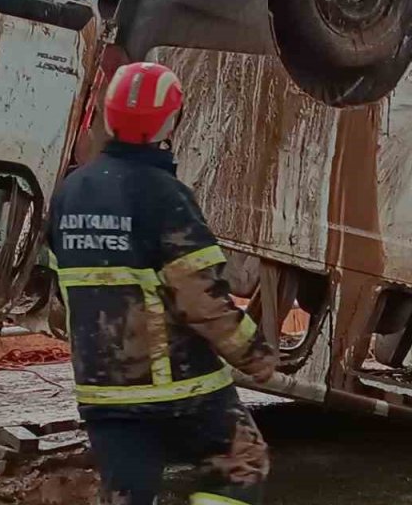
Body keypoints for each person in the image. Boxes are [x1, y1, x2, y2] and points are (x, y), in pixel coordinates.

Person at [48, 61, 277, 505]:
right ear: (171, 122)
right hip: (180, 387)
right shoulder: (164, 195)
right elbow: (202, 300)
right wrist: (256, 355)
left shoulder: (69, 192)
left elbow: (62, 292)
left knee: (128, 494)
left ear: (107, 116)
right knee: (243, 463)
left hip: (101, 390)